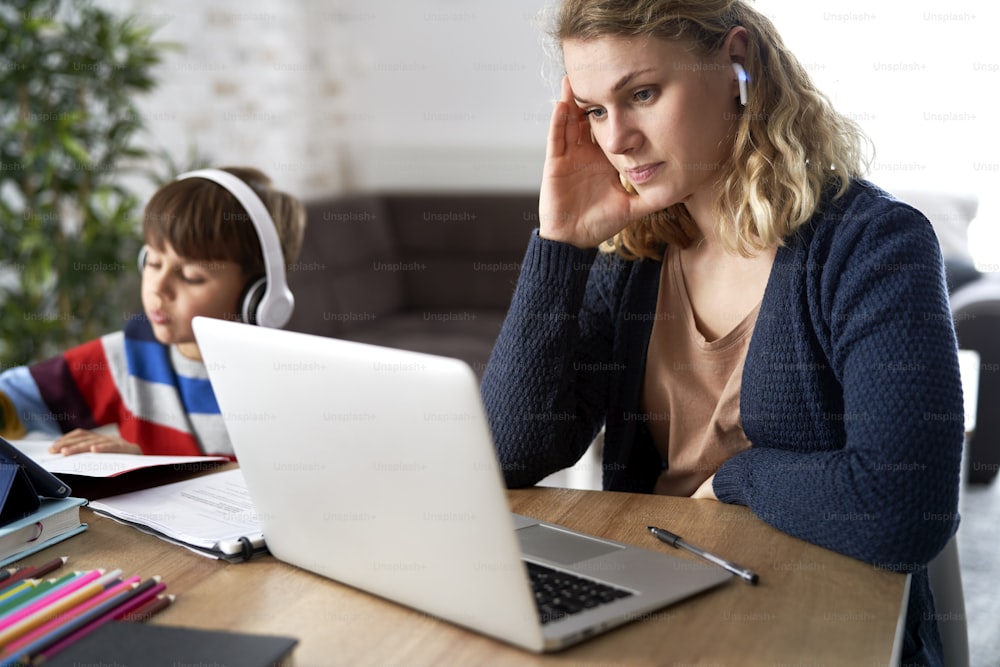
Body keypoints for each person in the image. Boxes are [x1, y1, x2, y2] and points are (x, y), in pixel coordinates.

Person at [480, 1, 963, 665]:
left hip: (818, 610)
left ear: (736, 60)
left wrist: (740, 477)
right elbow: (507, 457)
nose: (615, 138)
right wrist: (562, 244)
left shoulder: (872, 244)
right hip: (658, 591)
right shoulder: (632, 257)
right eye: (594, 110)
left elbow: (905, 509)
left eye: (642, 93)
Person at [0, 166, 306, 458]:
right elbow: (14, 398)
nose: (158, 288)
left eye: (190, 276)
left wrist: (146, 463)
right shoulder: (131, 353)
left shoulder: (285, 382)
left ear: (257, 295)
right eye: (153, 262)